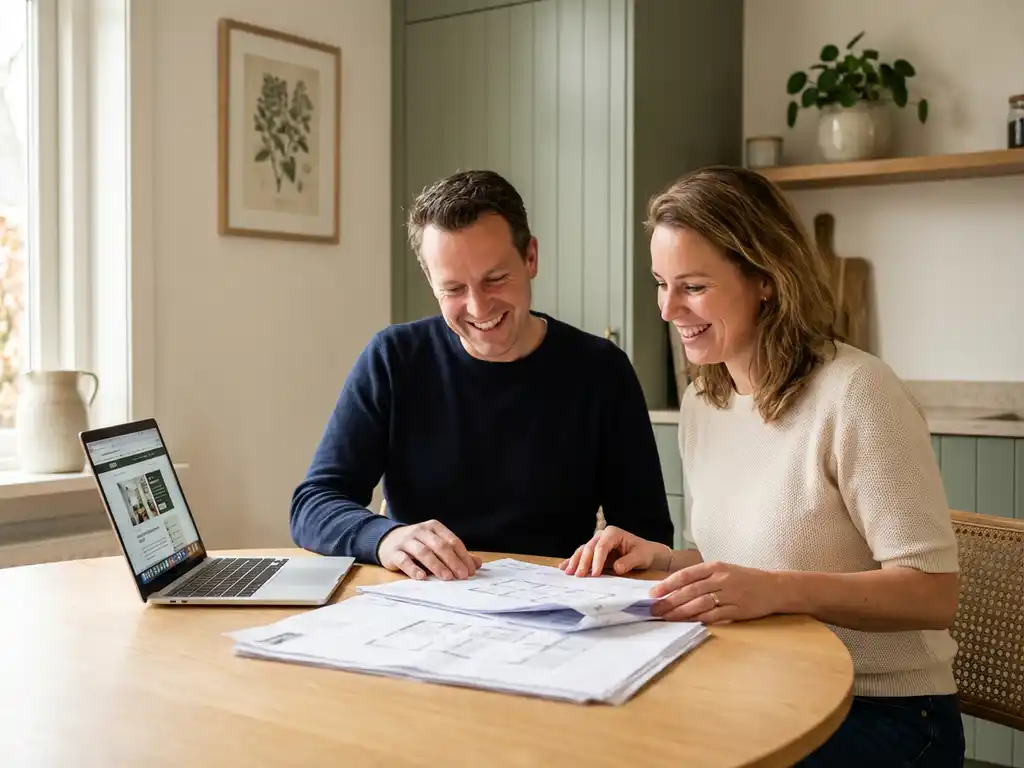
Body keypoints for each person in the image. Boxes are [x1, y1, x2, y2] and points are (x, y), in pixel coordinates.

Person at [560, 166, 965, 767]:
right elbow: (746, 564)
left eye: (694, 286)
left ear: (766, 280)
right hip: (761, 684)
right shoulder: (705, 401)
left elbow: (933, 594)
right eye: (661, 283)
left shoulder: (856, 393)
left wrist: (778, 591)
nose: (668, 309)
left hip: (886, 712)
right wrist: (664, 561)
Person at [290, 169, 673, 582]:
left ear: (531, 258)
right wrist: (385, 538)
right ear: (430, 281)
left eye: (495, 279)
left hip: (553, 602)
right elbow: (313, 504)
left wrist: (621, 553)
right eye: (453, 289)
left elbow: (647, 536)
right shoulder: (393, 359)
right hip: (420, 602)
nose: (478, 307)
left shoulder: (602, 370)